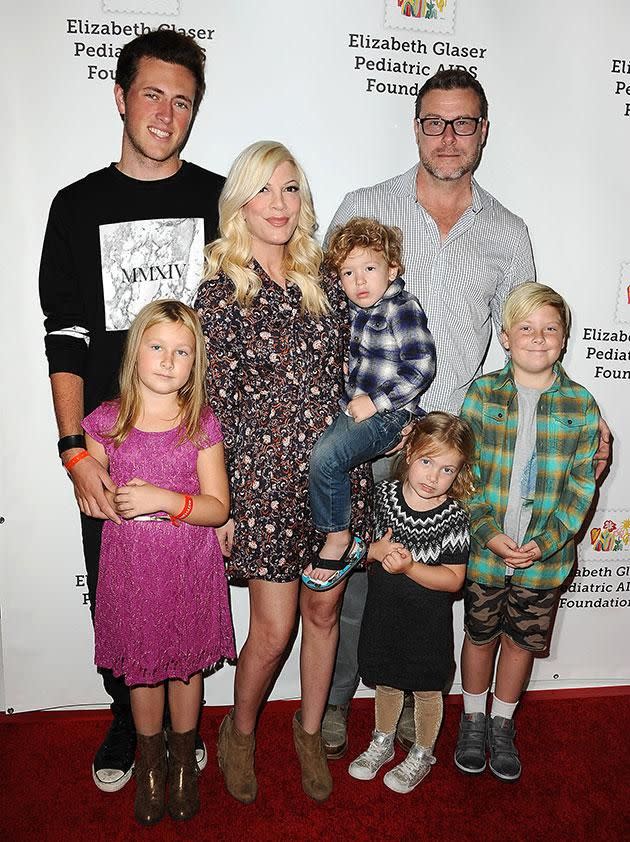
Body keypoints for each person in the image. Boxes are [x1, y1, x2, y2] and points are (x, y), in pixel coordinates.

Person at [321, 68, 611, 758]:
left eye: (463, 123)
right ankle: (338, 703)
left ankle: (424, 715)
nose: (448, 138)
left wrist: (584, 415)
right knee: (360, 576)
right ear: (415, 126)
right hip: (371, 431)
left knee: (434, 589)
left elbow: (526, 339)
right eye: (434, 122)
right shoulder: (366, 206)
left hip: (455, 446)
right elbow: (325, 317)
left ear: (482, 132)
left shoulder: (507, 231)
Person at [38, 30, 224, 791]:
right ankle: (128, 719)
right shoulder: (77, 205)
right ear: (120, 96)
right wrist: (75, 448)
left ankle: (185, 732)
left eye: (182, 101)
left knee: (186, 593)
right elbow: (66, 337)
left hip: (192, 441)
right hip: (111, 444)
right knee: (117, 593)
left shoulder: (219, 199)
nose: (166, 111)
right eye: (152, 93)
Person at [194, 140, 372, 804]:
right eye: (264, 190)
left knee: (323, 612)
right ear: (241, 201)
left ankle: (305, 732)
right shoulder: (219, 292)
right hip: (263, 486)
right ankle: (238, 733)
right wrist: (224, 501)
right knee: (272, 629)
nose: (279, 203)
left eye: (290, 189)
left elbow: (363, 365)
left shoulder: (329, 282)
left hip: (334, 475)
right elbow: (212, 406)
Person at [82, 300, 234, 824]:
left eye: (182, 351)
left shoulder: (201, 424)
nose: (168, 360)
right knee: (143, 673)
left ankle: (184, 763)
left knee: (186, 668)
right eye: (157, 347)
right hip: (131, 568)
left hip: (187, 566)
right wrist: (92, 489)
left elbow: (218, 507)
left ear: (196, 363)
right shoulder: (106, 421)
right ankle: (149, 764)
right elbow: (91, 488)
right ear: (135, 352)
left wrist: (165, 500)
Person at [456, 283, 600, 781]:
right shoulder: (481, 394)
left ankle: (501, 722)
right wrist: (488, 531)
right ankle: (472, 718)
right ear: (505, 337)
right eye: (526, 328)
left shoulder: (581, 405)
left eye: (549, 330)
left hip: (546, 557)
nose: (537, 339)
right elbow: (464, 473)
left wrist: (549, 540)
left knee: (520, 642)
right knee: (480, 635)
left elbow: (583, 485)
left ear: (563, 340)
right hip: (485, 552)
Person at [305, 217, 436, 589]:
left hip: (390, 415)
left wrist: (377, 402)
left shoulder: (401, 308)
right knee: (317, 455)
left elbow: (421, 366)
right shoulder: (355, 311)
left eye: (369, 268)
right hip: (357, 409)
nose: (359, 281)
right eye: (347, 272)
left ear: (392, 269)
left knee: (326, 458)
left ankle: (338, 537)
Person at [349, 413, 474, 793]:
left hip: (427, 624)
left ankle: (422, 752)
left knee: (425, 688)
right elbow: (360, 550)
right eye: (426, 461)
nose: (434, 477)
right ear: (409, 454)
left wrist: (410, 566)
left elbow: (454, 579)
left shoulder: (452, 517)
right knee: (385, 682)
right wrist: (374, 551)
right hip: (384, 614)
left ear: (459, 474)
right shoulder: (383, 496)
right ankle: (382, 740)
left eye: (447, 469)